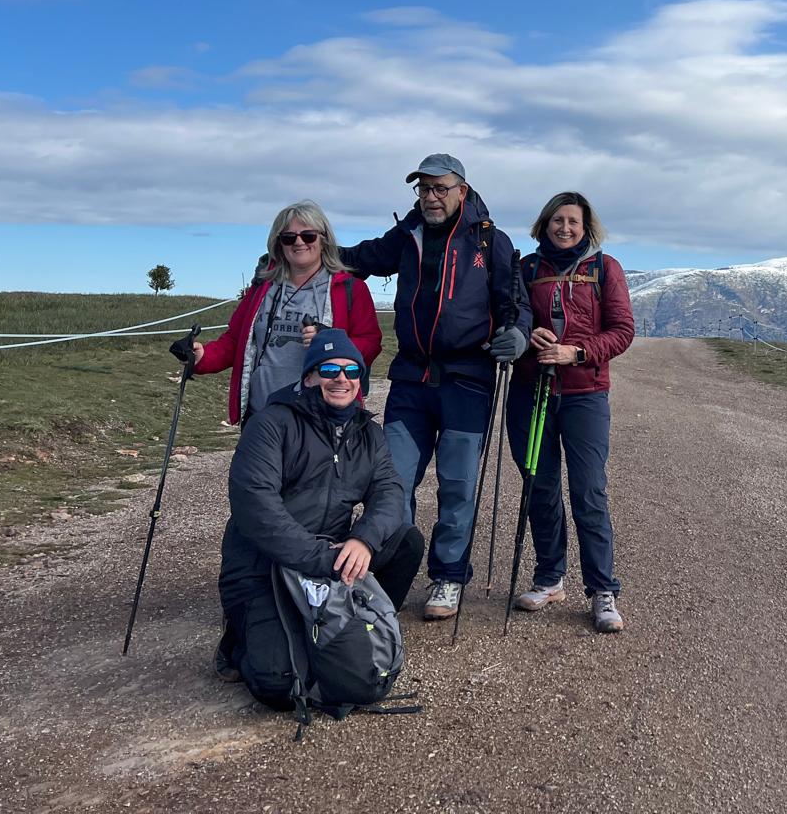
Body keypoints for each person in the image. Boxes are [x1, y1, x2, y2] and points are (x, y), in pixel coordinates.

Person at [339, 153, 530, 621]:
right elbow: (362, 259)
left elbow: (514, 302)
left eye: (440, 188)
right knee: (393, 480)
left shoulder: (489, 240)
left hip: (468, 381)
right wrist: (305, 252)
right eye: (423, 188)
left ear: (461, 191)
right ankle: (392, 573)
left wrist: (518, 334)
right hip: (411, 379)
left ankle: (449, 576)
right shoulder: (407, 234)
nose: (430, 197)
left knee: (458, 486)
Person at [216, 329, 423, 704]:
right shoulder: (271, 424)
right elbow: (255, 506)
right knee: (279, 685)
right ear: (309, 377)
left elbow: (390, 493)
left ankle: (362, 620)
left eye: (351, 371)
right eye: (329, 369)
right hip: (266, 562)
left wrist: (363, 540)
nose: (341, 378)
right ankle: (240, 636)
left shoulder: (368, 433)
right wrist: (323, 559)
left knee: (405, 540)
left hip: (331, 554)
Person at [508, 191, 635, 633]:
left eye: (573, 222)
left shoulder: (604, 268)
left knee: (588, 492)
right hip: (531, 391)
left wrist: (577, 352)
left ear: (585, 228)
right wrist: (527, 334)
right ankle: (549, 579)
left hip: (585, 394)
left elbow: (622, 330)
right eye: (557, 220)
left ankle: (602, 590)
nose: (564, 228)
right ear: (544, 224)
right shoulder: (526, 269)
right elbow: (508, 318)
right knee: (539, 488)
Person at [186, 201, 382, 427]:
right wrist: (202, 356)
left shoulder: (350, 288)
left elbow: (370, 344)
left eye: (308, 236)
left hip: (322, 422)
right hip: (262, 416)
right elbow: (235, 341)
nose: (299, 242)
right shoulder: (262, 289)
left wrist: (330, 341)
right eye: (288, 237)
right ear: (278, 244)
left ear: (323, 239)